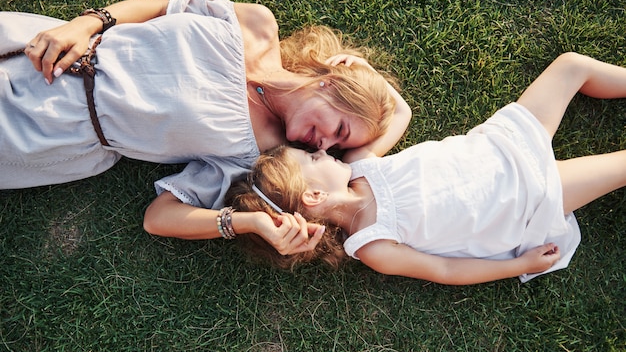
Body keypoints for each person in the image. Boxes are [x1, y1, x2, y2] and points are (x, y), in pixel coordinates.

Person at [0, 0, 412, 254]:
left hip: (43, 129)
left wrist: (245, 222)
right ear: (333, 84)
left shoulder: (257, 154)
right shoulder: (255, 25)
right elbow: (157, 9)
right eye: (338, 129)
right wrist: (86, 23)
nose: (323, 143)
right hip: (41, 47)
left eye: (335, 147)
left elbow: (159, 217)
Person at [227, 52, 626, 285]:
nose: (325, 150)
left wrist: (362, 69)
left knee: (571, 66)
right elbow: (444, 268)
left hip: (502, 146)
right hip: (524, 199)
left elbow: (400, 113)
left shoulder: (361, 166)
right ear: (315, 194)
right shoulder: (372, 246)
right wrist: (518, 266)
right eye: (314, 158)